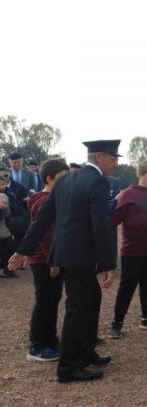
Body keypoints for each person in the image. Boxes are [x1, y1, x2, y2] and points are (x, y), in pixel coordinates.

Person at [9, 139, 120, 383]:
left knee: (91, 300)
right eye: (113, 159)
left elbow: (44, 218)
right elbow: (101, 224)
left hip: (66, 252)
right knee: (78, 309)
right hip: (80, 256)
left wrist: (23, 249)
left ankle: (86, 352)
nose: (115, 163)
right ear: (100, 157)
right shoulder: (98, 181)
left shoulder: (67, 179)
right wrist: (107, 264)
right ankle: (68, 367)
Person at [109, 161, 147, 338]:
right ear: (141, 175)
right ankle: (117, 322)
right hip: (132, 250)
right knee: (127, 286)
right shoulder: (128, 194)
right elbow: (114, 220)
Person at [26, 158, 69, 361]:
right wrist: (52, 260)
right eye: (63, 177)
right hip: (44, 260)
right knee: (44, 301)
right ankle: (36, 346)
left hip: (53, 257)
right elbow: (45, 234)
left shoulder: (55, 198)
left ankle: (51, 339)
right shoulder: (43, 200)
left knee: (53, 300)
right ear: (49, 179)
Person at [0, 193, 15, 278]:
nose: (4, 205)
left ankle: (8, 270)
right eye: (2, 202)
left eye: (6, 203)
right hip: (3, 232)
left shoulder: (5, 209)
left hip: (4, 232)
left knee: (10, 247)